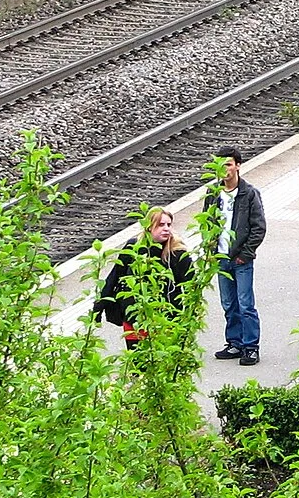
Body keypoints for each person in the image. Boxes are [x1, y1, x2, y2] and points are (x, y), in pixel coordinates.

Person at [93, 208, 197, 349]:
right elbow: (114, 277)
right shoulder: (133, 247)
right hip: (134, 316)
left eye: (169, 225)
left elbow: (192, 285)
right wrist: (99, 307)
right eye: (160, 225)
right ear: (149, 227)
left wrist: (190, 315)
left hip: (166, 319)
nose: (166, 229)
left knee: (162, 362)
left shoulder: (177, 253)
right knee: (137, 362)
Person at [204, 145, 268, 365]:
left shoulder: (249, 193)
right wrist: (210, 250)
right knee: (228, 303)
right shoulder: (213, 193)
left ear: (238, 166)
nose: (225, 170)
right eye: (221, 165)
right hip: (220, 258)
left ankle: (251, 347)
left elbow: (258, 227)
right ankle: (234, 343)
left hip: (240, 260)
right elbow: (207, 222)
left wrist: (245, 254)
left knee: (245, 304)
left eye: (229, 165)